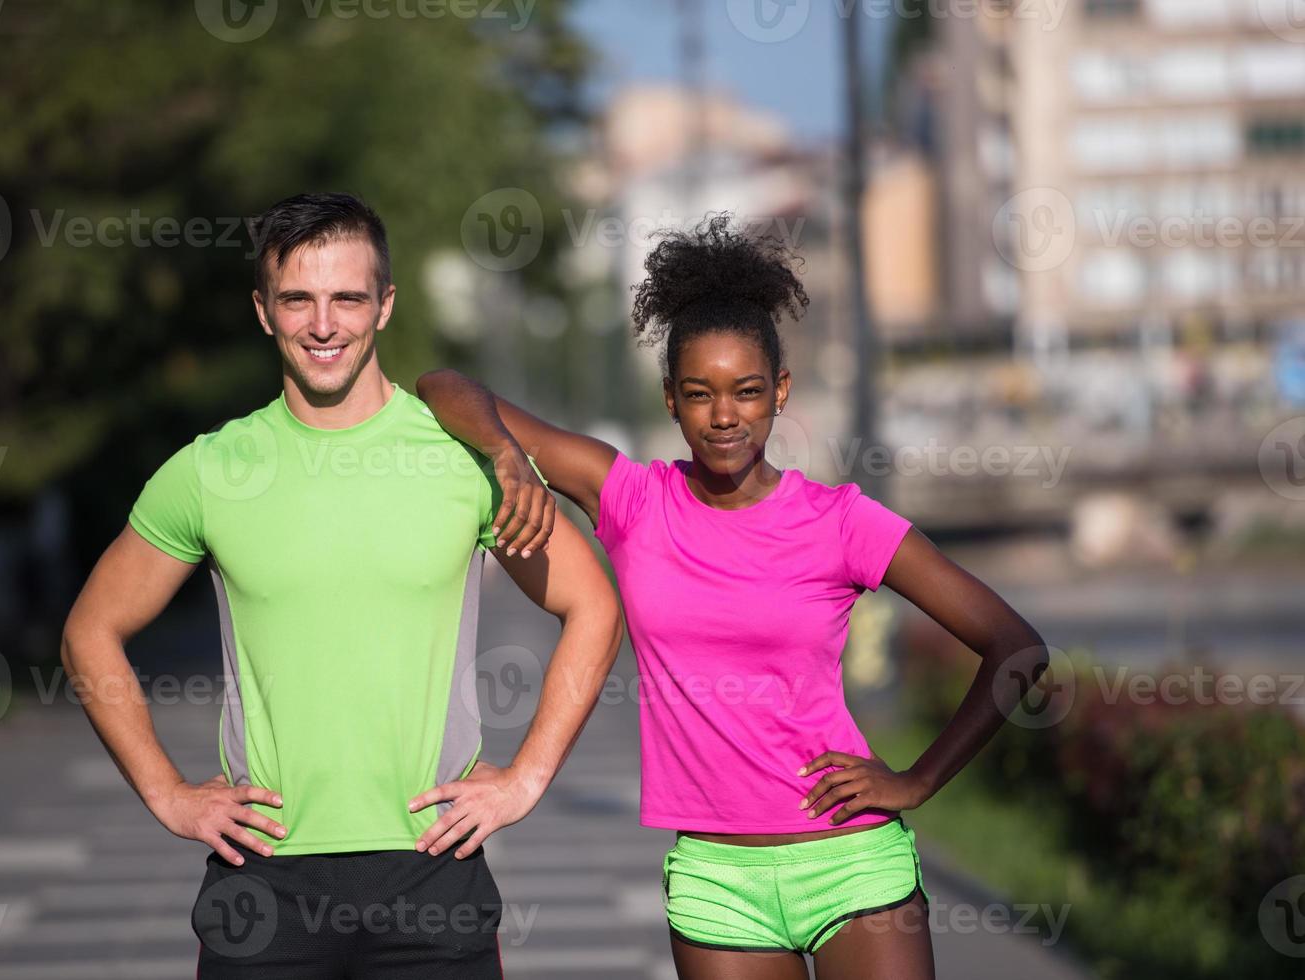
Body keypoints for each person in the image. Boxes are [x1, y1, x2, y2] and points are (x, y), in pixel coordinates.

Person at [416, 214, 1051, 980]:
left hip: (851, 864)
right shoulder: (630, 499)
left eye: (747, 392)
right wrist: (509, 461)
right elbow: (443, 388)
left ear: (779, 391)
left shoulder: (841, 521)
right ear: (670, 400)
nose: (724, 416)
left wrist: (915, 780)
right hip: (717, 884)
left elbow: (1015, 647)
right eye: (700, 394)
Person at [60, 192, 623, 979]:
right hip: (262, 882)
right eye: (298, 300)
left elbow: (592, 603)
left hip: (432, 873)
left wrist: (525, 778)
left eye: (347, 298)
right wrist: (168, 794)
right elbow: (90, 631)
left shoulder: (463, 461)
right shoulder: (210, 470)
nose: (323, 325)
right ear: (263, 311)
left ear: (384, 305)